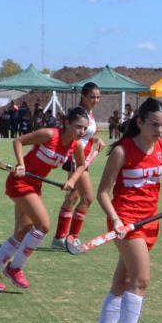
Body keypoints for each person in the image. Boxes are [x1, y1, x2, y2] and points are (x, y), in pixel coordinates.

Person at [84, 98, 162, 323]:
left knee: (122, 283)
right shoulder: (122, 151)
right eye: (154, 124)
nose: (159, 130)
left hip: (149, 222)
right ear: (140, 122)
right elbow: (103, 193)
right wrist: (116, 220)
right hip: (125, 223)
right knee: (141, 280)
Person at [0, 107, 90, 292]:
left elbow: (82, 165)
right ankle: (15, 268)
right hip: (20, 182)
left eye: (84, 128)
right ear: (67, 123)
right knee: (43, 225)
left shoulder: (75, 145)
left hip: (35, 185)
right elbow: (19, 141)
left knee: (22, 232)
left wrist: (71, 180)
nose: (81, 132)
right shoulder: (48, 134)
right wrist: (21, 164)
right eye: (78, 127)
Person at [52, 82, 105, 250]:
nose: (95, 100)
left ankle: (59, 238)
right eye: (92, 97)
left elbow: (85, 135)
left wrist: (95, 139)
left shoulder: (89, 112)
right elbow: (72, 135)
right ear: (83, 96)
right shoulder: (80, 113)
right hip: (76, 158)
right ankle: (72, 238)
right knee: (87, 198)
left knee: (73, 197)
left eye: (98, 97)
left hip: (81, 157)